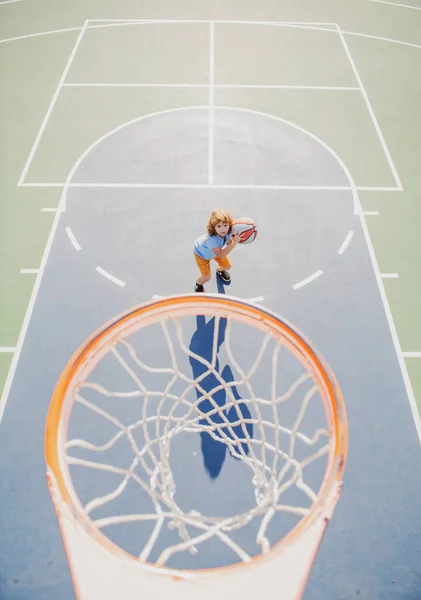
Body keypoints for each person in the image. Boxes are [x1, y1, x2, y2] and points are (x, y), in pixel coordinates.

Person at [193, 209, 242, 292]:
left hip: (215, 251)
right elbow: (220, 255)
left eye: (225, 225)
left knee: (227, 266)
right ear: (213, 227)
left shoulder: (226, 233)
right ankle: (198, 284)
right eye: (219, 226)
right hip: (202, 255)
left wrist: (236, 238)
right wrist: (234, 243)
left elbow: (229, 243)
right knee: (206, 277)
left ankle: (219, 271)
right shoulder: (211, 239)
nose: (223, 229)